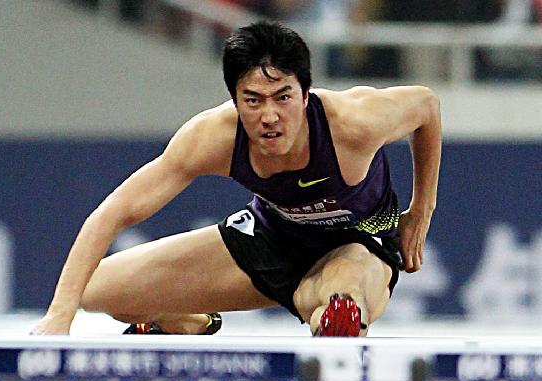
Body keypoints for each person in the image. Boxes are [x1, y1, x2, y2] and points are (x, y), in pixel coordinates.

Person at [31, 21, 441, 337]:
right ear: (234, 99)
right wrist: (59, 316)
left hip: (356, 246)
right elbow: (111, 214)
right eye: (253, 100)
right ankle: (190, 321)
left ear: (305, 95)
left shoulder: (354, 122)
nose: (269, 116)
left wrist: (421, 209)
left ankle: (324, 304)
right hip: (270, 238)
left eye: (283, 97)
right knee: (95, 289)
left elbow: (427, 106)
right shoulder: (212, 136)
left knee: (340, 311)